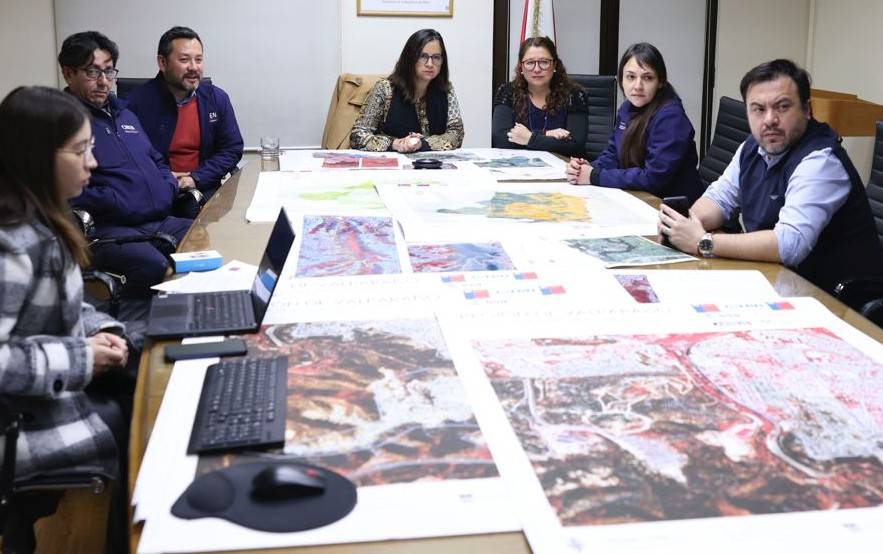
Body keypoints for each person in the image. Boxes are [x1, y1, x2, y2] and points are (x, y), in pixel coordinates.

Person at [0, 86, 130, 548]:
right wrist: (80, 357)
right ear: (36, 156)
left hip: (37, 394)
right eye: (80, 151)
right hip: (17, 420)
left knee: (148, 371)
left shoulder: (43, 217)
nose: (92, 163)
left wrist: (104, 331)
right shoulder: (12, 244)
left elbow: (64, 306)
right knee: (136, 419)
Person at [658, 59, 883, 295]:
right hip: (777, 281)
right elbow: (720, 198)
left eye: (782, 107)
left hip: (835, 299)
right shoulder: (751, 148)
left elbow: (789, 245)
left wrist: (703, 241)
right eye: (758, 109)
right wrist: (685, 225)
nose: (769, 119)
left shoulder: (820, 160)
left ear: (806, 109)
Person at [59, 31, 191, 296]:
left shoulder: (125, 114)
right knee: (156, 267)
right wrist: (116, 199)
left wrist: (167, 185)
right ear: (69, 73)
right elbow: (62, 188)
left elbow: (156, 159)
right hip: (109, 228)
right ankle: (138, 321)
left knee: (207, 239)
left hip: (157, 219)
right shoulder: (64, 121)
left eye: (109, 71)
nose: (103, 82)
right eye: (93, 72)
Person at [565, 42, 704, 202]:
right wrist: (588, 167)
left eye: (648, 78)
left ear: (660, 82)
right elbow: (613, 154)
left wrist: (595, 176)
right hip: (637, 198)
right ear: (621, 79)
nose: (638, 86)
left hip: (672, 207)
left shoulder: (671, 118)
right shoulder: (627, 107)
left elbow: (653, 179)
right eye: (631, 77)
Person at [127, 26, 243, 200]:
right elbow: (129, 157)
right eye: (184, 60)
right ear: (162, 63)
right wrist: (165, 179)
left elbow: (231, 148)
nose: (194, 67)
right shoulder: (136, 103)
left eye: (199, 59)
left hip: (204, 189)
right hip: (155, 193)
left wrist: (195, 178)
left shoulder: (216, 99)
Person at [351, 29, 464, 152]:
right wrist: (395, 144)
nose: (430, 64)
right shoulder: (385, 89)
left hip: (432, 161)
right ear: (410, 58)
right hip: (391, 160)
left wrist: (422, 144)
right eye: (423, 56)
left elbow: (456, 133)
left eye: (436, 57)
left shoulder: (446, 90)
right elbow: (358, 135)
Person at [492, 36, 588, 157]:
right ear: (521, 67)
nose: (537, 69)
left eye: (544, 62)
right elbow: (501, 139)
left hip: (562, 165)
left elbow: (575, 145)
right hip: (518, 164)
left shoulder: (573, 95)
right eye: (530, 63)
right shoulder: (508, 92)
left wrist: (529, 138)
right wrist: (546, 134)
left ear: (554, 65)